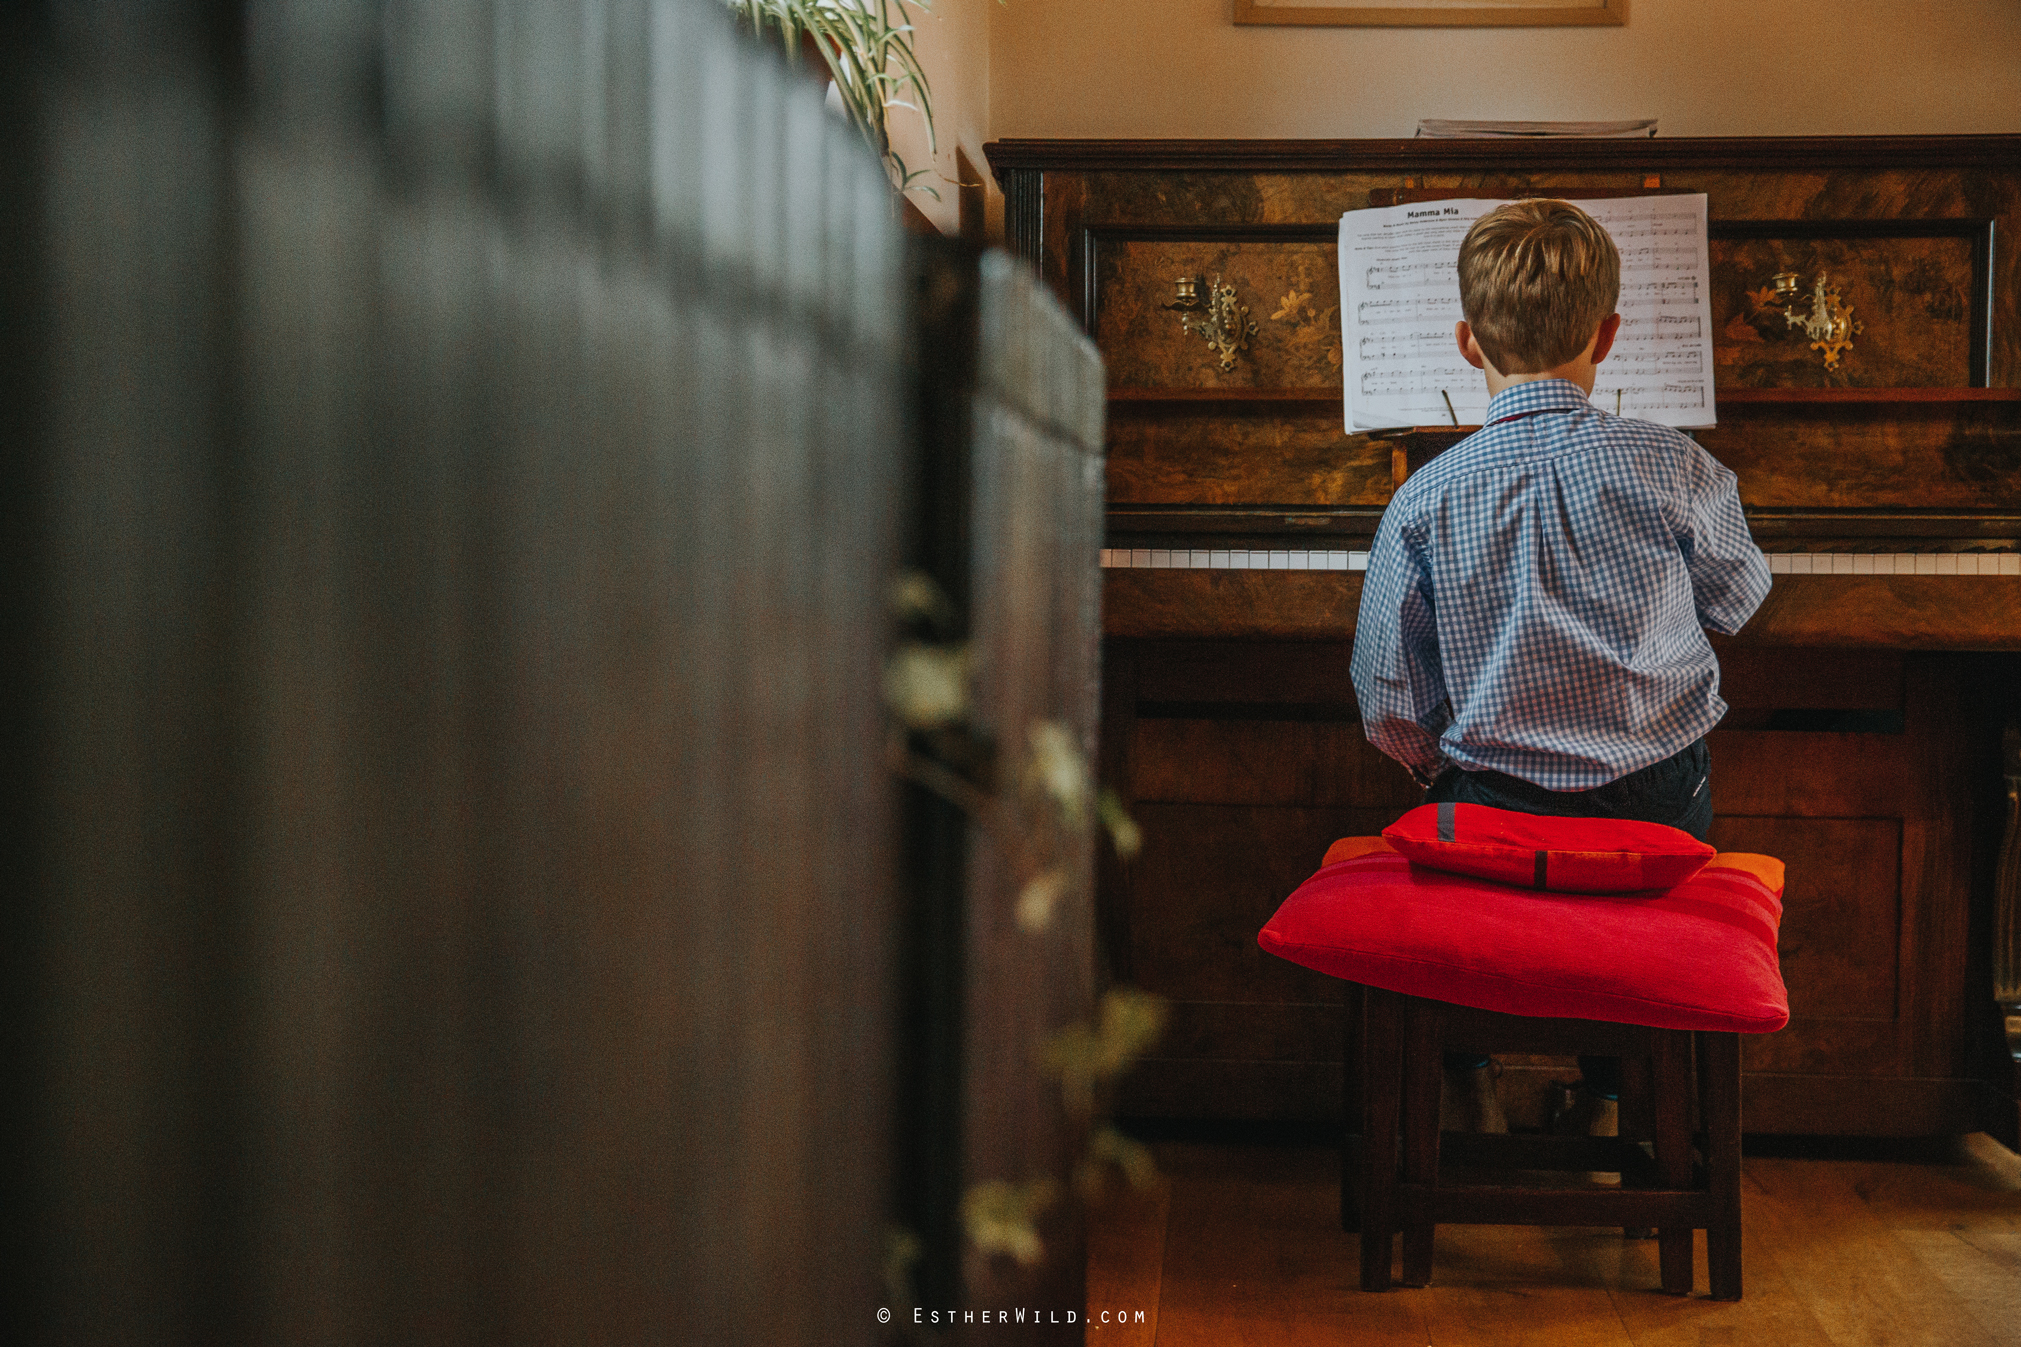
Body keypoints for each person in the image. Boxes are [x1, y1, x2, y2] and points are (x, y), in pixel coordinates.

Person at [1350, 198, 1771, 1135]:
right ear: (1609, 334)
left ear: (1467, 343)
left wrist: (1442, 769)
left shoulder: (1423, 496)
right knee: (1654, 813)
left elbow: (1385, 698)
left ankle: (1467, 1075)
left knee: (1443, 810)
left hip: (1490, 802)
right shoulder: (1677, 468)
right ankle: (1616, 1091)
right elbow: (1739, 601)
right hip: (1656, 804)